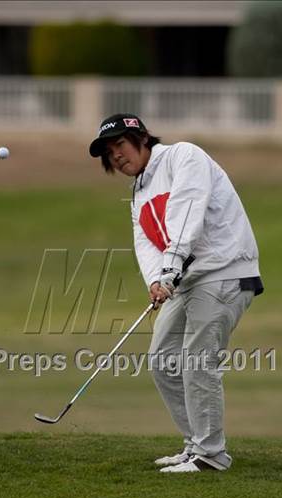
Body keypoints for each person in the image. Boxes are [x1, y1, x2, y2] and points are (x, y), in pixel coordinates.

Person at [89, 113, 263, 473]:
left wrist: (170, 267)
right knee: (162, 359)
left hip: (225, 271)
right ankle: (196, 444)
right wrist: (156, 279)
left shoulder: (184, 156)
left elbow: (187, 210)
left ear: (142, 139)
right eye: (109, 153)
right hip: (186, 279)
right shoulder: (138, 193)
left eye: (120, 144)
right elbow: (145, 243)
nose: (116, 156)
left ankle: (211, 455)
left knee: (197, 359)